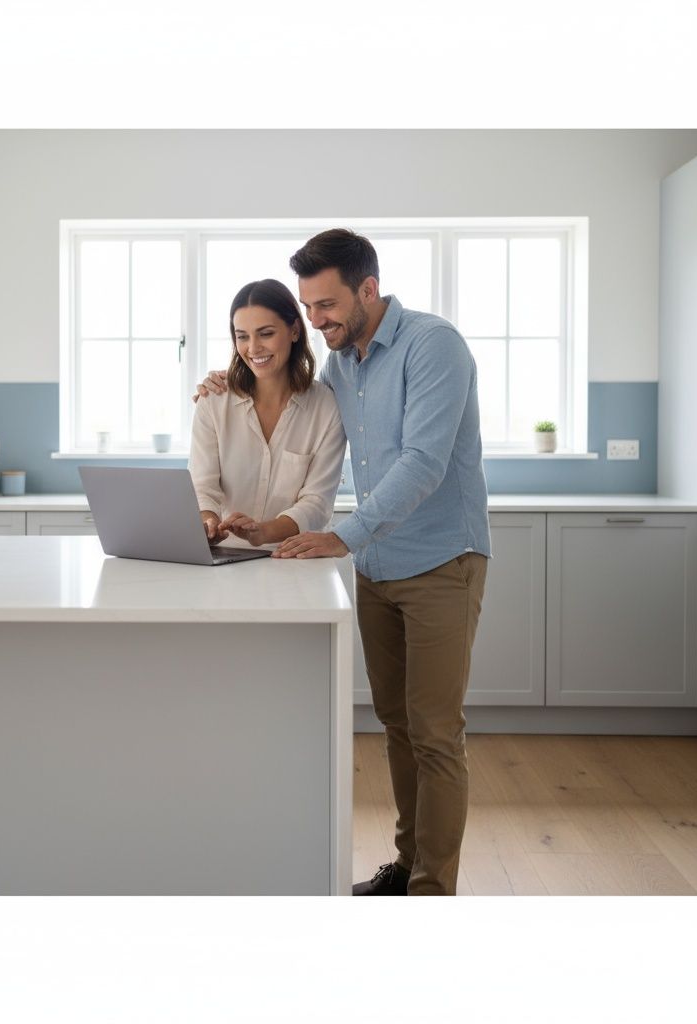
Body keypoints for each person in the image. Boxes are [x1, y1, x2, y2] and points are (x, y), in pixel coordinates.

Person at [197, 230, 491, 896]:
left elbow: (424, 460)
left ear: (368, 288)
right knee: (396, 725)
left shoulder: (431, 345)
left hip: (443, 558)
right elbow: (287, 386)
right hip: (378, 566)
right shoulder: (343, 365)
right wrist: (233, 375)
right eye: (308, 307)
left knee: (436, 733)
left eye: (326, 304)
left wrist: (344, 533)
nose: (316, 319)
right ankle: (407, 863)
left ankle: (431, 890)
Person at [190, 279, 345, 549]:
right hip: (227, 559)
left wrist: (264, 532)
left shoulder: (325, 407)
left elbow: (317, 501)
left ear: (294, 330)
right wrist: (209, 522)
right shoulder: (213, 402)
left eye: (266, 333)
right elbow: (202, 486)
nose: (253, 348)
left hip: (294, 559)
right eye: (242, 336)